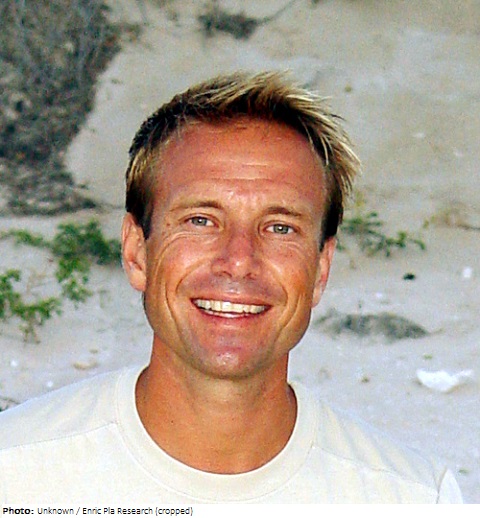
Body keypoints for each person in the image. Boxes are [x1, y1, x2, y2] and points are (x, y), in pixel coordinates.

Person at [0, 71, 462, 504]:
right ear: (137, 252)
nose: (239, 261)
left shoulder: (414, 498)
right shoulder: (17, 476)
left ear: (320, 269)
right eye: (201, 221)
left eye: (279, 228)